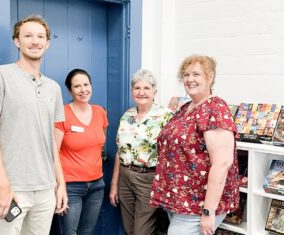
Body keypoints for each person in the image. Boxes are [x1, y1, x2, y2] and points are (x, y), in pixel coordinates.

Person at [0, 15, 68, 235]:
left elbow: (50, 142)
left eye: (40, 36)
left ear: (47, 43)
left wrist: (60, 183)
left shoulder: (53, 88)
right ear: (17, 41)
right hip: (12, 188)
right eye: (28, 36)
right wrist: (2, 184)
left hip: (46, 189)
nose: (35, 41)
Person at [150, 55, 240, 235]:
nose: (190, 79)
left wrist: (208, 212)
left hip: (199, 202)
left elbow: (222, 164)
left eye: (196, 74)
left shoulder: (215, 108)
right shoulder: (185, 108)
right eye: (186, 75)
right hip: (179, 199)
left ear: (210, 76)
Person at [109, 69, 173, 235]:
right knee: (129, 229)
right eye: (137, 88)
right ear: (132, 91)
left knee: (141, 231)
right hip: (125, 177)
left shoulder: (166, 116)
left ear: (154, 92)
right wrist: (114, 186)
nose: (141, 92)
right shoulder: (127, 116)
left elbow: (172, 154)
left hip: (149, 179)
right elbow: (119, 152)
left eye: (146, 88)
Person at [55, 69, 108, 235]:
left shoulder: (100, 112)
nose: (83, 89)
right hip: (70, 186)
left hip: (96, 185)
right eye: (77, 86)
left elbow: (99, 144)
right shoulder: (62, 113)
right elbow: (53, 152)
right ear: (70, 90)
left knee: (87, 232)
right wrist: (58, 186)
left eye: (86, 84)